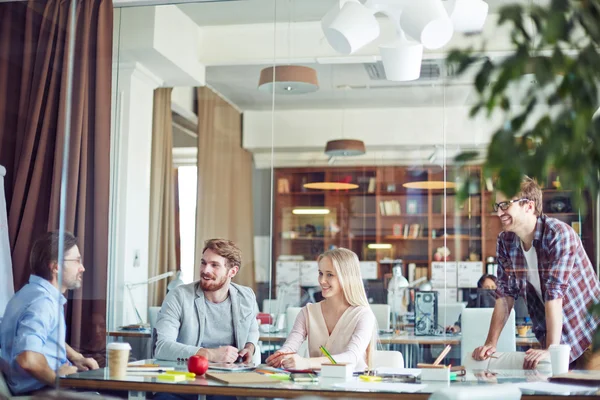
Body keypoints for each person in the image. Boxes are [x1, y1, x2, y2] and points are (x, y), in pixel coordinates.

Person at [472, 177, 600, 369]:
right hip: (554, 337)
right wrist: (491, 344)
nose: (499, 212)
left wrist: (551, 349)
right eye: (497, 205)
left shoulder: (558, 234)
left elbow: (555, 295)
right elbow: (504, 296)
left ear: (529, 206)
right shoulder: (505, 241)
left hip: (587, 336)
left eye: (506, 204)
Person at [0, 231, 99, 395]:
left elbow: (42, 335)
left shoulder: (29, 294)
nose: (82, 268)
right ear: (55, 267)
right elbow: (28, 359)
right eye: (76, 261)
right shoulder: (43, 304)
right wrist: (58, 381)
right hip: (40, 391)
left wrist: (76, 357)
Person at [266, 248, 377, 372]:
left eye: (329, 274)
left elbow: (351, 357)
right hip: (318, 385)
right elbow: (290, 346)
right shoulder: (307, 312)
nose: (322, 280)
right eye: (320, 273)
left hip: (354, 385)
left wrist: (307, 362)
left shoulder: (363, 315)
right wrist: (281, 355)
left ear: (347, 277)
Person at [154, 238, 259, 363]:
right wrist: (209, 354)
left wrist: (249, 347)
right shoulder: (178, 296)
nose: (205, 270)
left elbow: (252, 331)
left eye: (214, 265)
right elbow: (162, 348)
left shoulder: (246, 296)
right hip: (189, 374)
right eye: (203, 263)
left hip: (233, 374)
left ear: (232, 271)